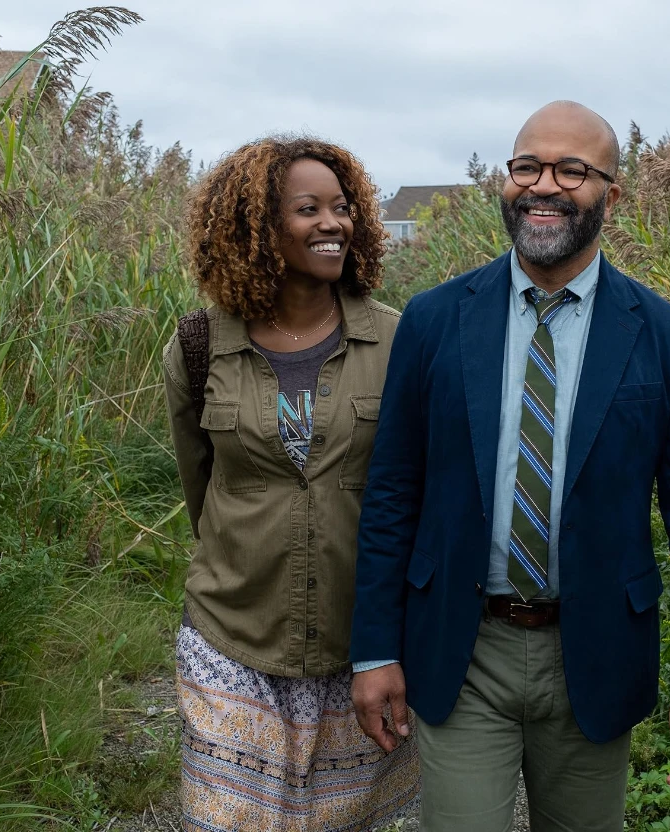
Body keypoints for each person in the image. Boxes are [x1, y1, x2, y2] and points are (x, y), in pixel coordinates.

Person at [349, 101, 670, 832]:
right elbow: (392, 493)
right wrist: (373, 648)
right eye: (527, 166)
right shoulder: (434, 320)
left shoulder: (664, 338)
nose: (544, 185)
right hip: (461, 649)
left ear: (611, 195)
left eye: (572, 170)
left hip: (592, 650)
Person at [163, 136, 419, 832]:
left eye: (342, 208)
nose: (331, 223)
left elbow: (417, 494)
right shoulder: (198, 345)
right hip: (231, 633)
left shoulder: (402, 342)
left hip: (357, 643)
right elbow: (202, 485)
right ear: (255, 226)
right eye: (308, 209)